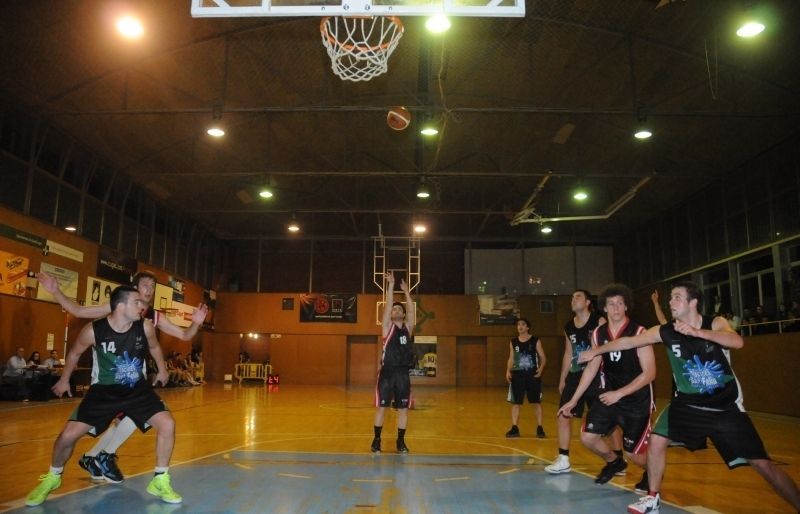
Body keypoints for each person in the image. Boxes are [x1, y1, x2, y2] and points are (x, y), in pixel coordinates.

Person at [578, 282, 800, 514]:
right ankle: (652, 498)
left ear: (693, 302)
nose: (671, 302)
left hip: (724, 407)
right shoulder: (665, 330)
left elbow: (737, 341)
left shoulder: (714, 323)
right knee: (656, 440)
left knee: (762, 465)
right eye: (670, 298)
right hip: (686, 404)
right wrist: (596, 351)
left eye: (676, 297)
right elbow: (628, 341)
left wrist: (697, 333)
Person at [36, 270, 207, 483]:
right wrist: (56, 292)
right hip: (107, 380)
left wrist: (195, 324)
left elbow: (183, 335)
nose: (149, 290)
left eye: (152, 287)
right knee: (117, 422)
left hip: (135, 379)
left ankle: (97, 456)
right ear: (133, 289)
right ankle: (96, 456)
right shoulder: (119, 308)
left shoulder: (152, 317)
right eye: (145, 285)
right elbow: (78, 311)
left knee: (136, 419)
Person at [24, 285, 183, 506]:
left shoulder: (145, 327)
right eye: (137, 302)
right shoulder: (94, 330)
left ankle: (160, 479)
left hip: (137, 390)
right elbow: (75, 353)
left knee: (167, 424)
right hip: (103, 392)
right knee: (68, 436)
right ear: (121, 305)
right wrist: (63, 379)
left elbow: (155, 347)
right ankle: (53, 477)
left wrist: (163, 369)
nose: (142, 306)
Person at [558, 283, 655, 489]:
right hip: (609, 395)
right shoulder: (598, 334)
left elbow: (650, 373)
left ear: (626, 306)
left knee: (634, 454)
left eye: (620, 303)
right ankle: (614, 461)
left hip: (636, 399)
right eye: (611, 304)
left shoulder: (639, 331)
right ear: (604, 308)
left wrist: (620, 393)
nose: (616, 308)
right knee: (588, 436)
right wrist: (573, 400)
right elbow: (592, 368)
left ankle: (652, 473)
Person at [546, 289, 624, 474]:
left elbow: (609, 347)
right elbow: (568, 353)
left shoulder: (599, 321)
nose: (573, 299)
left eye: (578, 296)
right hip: (575, 376)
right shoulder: (568, 326)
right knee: (563, 415)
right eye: (572, 297)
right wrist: (563, 378)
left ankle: (618, 459)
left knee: (609, 424)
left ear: (588, 302)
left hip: (597, 377)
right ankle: (564, 458)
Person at [371, 271, 416, 454]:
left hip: (403, 374)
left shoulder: (408, 328)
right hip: (387, 373)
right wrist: (390, 286)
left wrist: (406, 291)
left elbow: (412, 310)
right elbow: (388, 306)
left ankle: (400, 441)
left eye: (399, 309)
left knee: (403, 409)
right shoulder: (387, 328)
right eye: (394, 310)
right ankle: (376, 440)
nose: (396, 310)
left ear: (404, 315)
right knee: (382, 407)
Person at [504, 317, 546, 439]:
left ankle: (540, 428)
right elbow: (511, 358)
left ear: (527, 327)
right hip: (517, 375)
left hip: (533, 375)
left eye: (522, 324)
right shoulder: (513, 342)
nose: (520, 327)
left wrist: (541, 368)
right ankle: (514, 428)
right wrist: (508, 370)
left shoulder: (535, 340)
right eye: (518, 325)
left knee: (536, 402)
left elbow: (543, 356)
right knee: (515, 403)